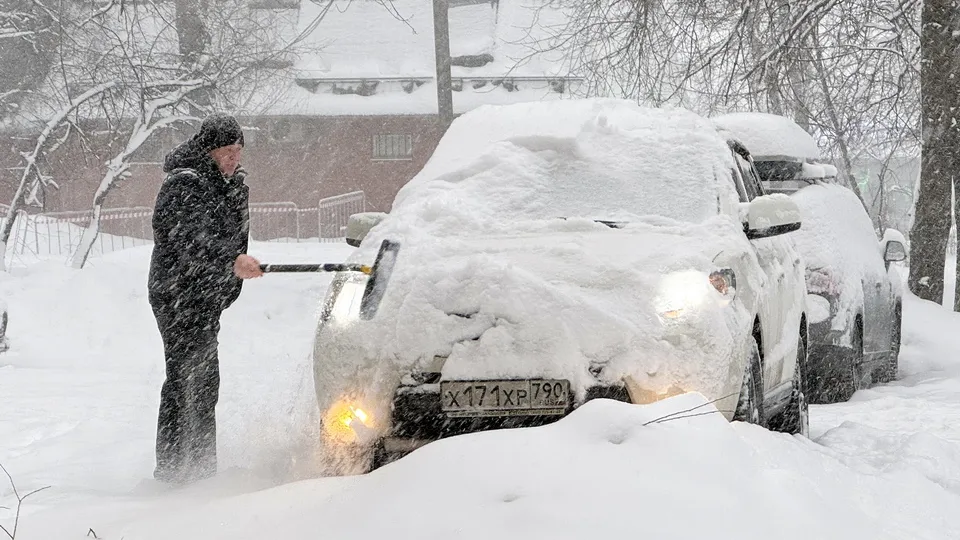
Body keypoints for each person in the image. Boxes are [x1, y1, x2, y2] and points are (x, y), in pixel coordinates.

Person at [147, 113, 264, 484]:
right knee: (189, 380)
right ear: (209, 150)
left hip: (204, 294)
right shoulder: (185, 184)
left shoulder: (228, 185)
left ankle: (191, 469)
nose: (234, 158)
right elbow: (187, 238)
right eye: (227, 151)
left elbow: (233, 236)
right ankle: (180, 473)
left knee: (199, 381)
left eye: (238, 151)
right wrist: (229, 261)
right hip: (178, 294)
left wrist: (231, 271)